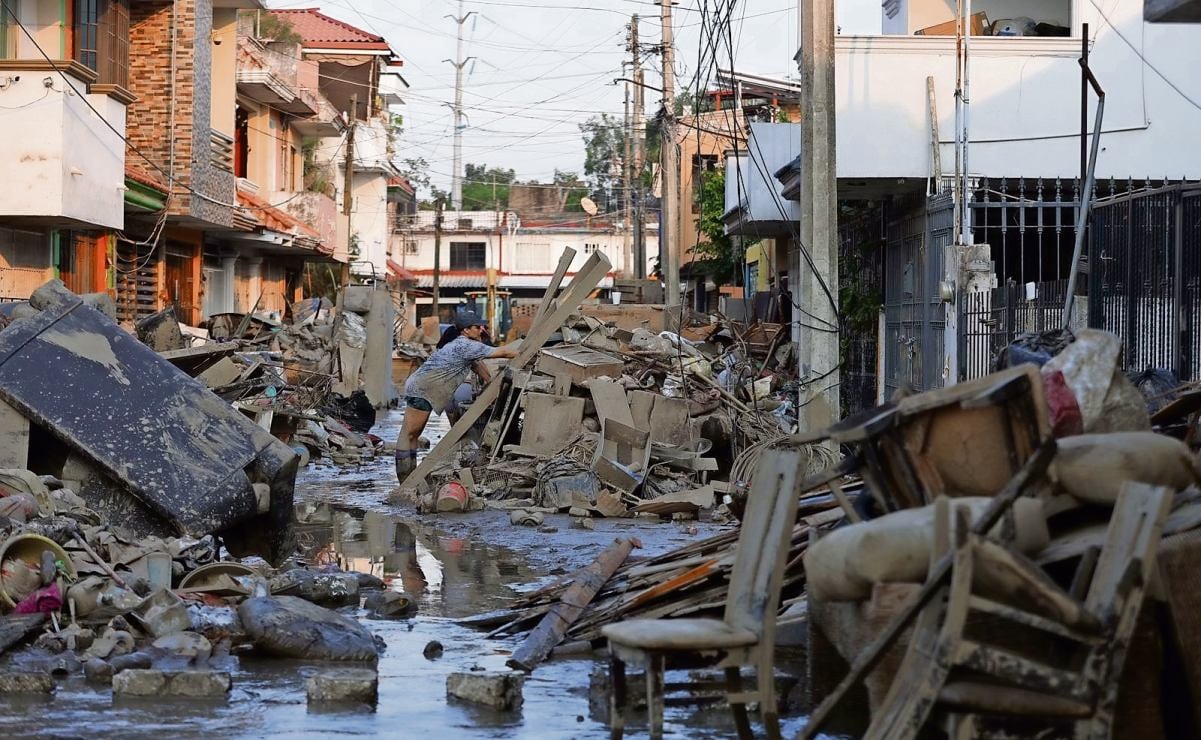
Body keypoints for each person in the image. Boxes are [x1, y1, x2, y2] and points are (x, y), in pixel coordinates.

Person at [395, 311, 518, 482]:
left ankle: (410, 476)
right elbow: (503, 352)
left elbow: (476, 364)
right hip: (423, 389)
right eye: (477, 327)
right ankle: (405, 479)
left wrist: (489, 380)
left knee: (411, 435)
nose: (480, 330)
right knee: (409, 434)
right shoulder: (466, 345)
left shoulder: (461, 344)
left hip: (421, 386)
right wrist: (528, 352)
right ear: (466, 330)